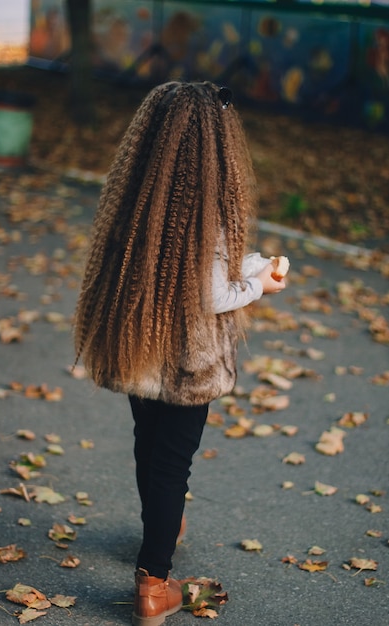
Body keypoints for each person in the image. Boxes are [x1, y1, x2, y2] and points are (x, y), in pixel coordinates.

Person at [73, 81, 287, 626]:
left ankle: (163, 527)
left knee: (152, 450)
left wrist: (251, 265)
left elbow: (196, 270)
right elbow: (212, 291)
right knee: (173, 463)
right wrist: (262, 284)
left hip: (141, 356)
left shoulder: (140, 195)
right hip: (188, 364)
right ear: (215, 144)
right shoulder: (210, 205)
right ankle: (154, 583)